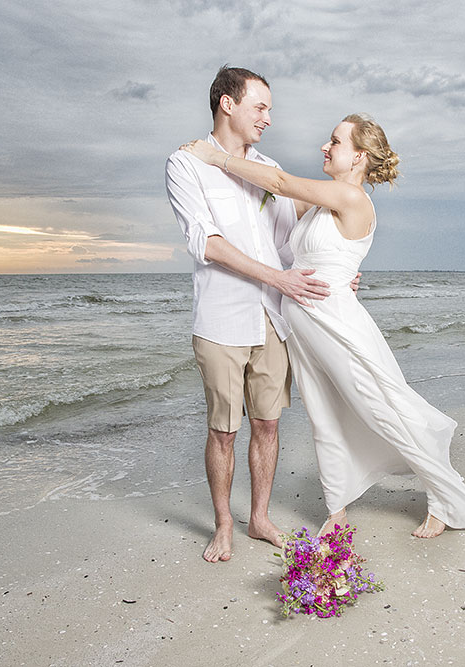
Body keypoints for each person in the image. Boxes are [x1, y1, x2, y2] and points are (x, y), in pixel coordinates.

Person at [180, 114, 465, 538]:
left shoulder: (350, 198)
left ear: (359, 157)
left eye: (335, 142)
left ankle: (445, 497)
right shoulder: (324, 202)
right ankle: (336, 507)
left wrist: (214, 157)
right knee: (323, 412)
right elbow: (280, 232)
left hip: (335, 324)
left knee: (382, 408)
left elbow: (279, 182)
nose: (324, 148)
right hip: (304, 325)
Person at [165, 66, 333, 563]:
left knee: (268, 424)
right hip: (221, 319)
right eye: (261, 107)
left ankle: (258, 517)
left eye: (269, 109)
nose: (268, 117)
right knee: (224, 429)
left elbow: (288, 243)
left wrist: (332, 272)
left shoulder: (268, 166)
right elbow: (207, 245)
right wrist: (275, 278)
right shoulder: (186, 164)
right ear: (227, 104)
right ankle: (222, 525)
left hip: (273, 318)